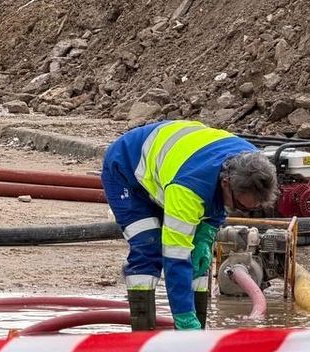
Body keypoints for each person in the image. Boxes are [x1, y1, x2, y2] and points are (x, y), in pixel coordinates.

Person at [101, 120, 277, 331]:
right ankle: (142, 332)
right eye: (239, 206)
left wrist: (206, 233)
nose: (240, 211)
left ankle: (198, 330)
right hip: (126, 170)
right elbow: (175, 257)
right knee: (148, 247)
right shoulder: (189, 190)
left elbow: (217, 203)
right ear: (226, 183)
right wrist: (183, 317)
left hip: (175, 168)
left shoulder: (252, 163)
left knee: (197, 259)